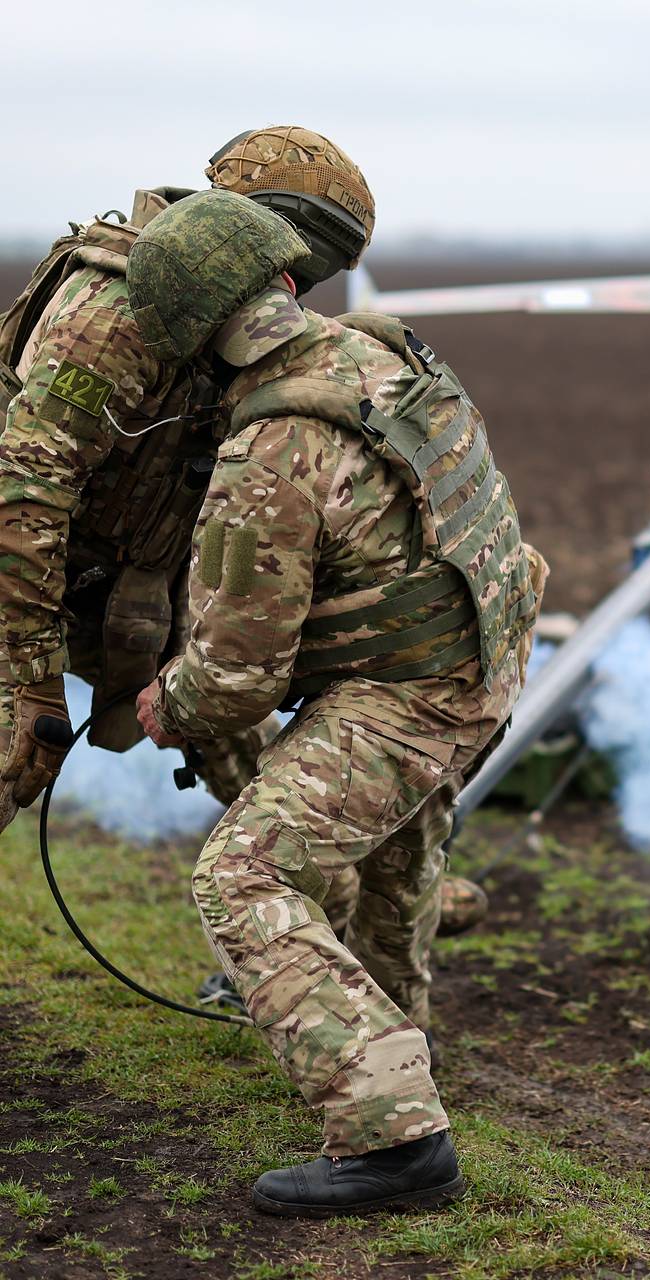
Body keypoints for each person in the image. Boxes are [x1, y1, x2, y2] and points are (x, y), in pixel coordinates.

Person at [130, 189, 546, 1215]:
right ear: (281, 278)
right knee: (395, 848)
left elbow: (237, 675)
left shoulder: (268, 448)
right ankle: (390, 1038)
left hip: (406, 697)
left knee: (244, 871)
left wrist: (166, 702)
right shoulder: (382, 354)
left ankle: (395, 1139)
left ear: (191, 333)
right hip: (488, 659)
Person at [0, 127, 488, 956]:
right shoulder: (113, 316)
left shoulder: (216, 307)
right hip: (33, 578)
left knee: (230, 721)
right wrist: (29, 678)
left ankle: (319, 909)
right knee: (17, 752)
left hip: (133, 579)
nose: (300, 291)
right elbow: (23, 494)